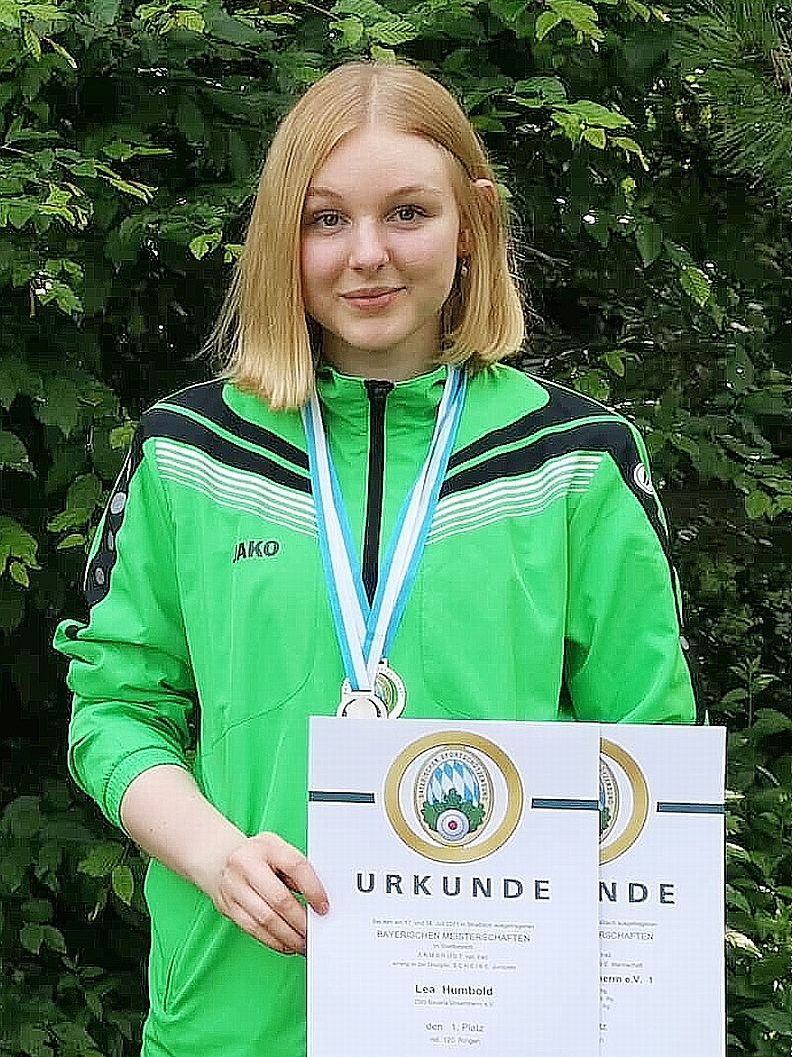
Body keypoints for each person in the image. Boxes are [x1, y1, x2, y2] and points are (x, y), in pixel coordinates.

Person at [54, 59, 695, 1057]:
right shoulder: (189, 454)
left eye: (407, 212)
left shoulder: (575, 462)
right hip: (237, 1017)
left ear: (472, 221)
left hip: (502, 1023)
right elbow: (115, 711)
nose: (367, 255)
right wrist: (217, 856)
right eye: (326, 219)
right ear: (284, 235)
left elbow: (648, 758)